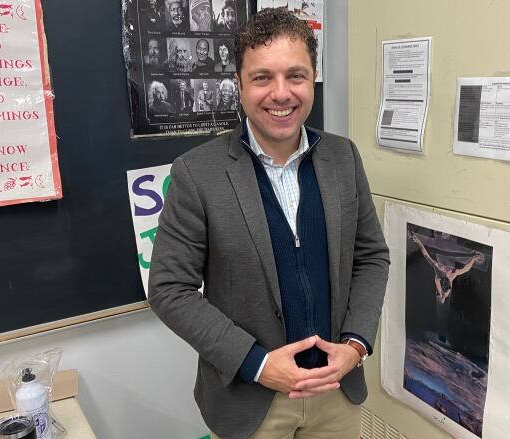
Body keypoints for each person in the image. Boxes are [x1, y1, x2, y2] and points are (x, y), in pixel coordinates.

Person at [148, 8, 390, 439]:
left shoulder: (343, 157)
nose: (281, 94)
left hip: (337, 392)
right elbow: (170, 289)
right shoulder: (197, 173)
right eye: (262, 78)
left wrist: (356, 344)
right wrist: (257, 363)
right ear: (238, 85)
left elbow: (372, 256)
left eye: (295, 76)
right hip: (251, 402)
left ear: (312, 78)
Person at [409, 230, 483, 344]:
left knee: (441, 290)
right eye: (447, 271)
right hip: (442, 281)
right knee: (443, 291)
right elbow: (466, 269)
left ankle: (443, 295)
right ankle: (443, 295)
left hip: (441, 280)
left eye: (448, 272)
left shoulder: (442, 271)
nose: (448, 271)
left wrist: (418, 241)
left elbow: (426, 255)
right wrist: (473, 259)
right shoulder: (449, 272)